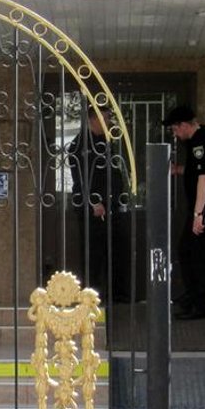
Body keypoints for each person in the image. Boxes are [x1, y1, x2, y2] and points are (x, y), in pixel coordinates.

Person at [163, 104, 205, 320]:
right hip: (200, 209)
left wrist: (198, 214)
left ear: (184, 125)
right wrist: (178, 170)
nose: (175, 134)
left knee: (197, 255)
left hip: (203, 210)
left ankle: (200, 302)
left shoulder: (200, 142)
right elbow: (196, 171)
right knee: (188, 252)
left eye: (175, 129)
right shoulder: (198, 142)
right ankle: (193, 297)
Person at [69, 107, 130, 302]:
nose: (108, 122)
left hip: (111, 206)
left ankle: (118, 295)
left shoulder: (105, 140)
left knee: (116, 251)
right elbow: (81, 178)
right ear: (92, 119)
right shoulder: (80, 144)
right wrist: (94, 202)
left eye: (109, 118)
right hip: (93, 210)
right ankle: (91, 296)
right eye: (104, 118)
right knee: (93, 254)